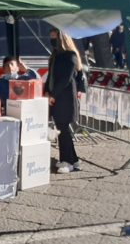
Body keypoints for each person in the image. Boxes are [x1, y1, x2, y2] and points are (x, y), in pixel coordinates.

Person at [46, 28, 83, 173]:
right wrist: (47, 91)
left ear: (62, 38)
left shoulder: (71, 56)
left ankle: (67, 161)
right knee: (62, 130)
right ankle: (73, 160)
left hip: (65, 100)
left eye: (54, 36)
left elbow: (66, 80)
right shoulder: (55, 55)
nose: (52, 39)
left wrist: (53, 94)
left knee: (64, 131)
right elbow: (51, 77)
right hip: (56, 99)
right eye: (51, 36)